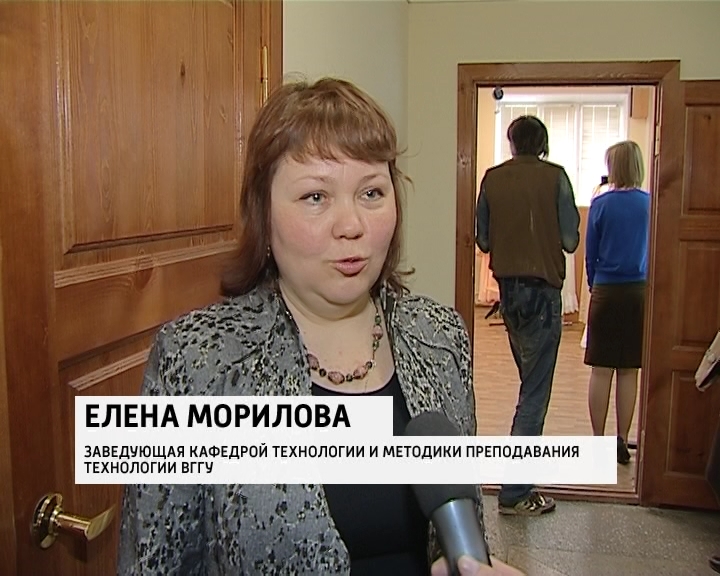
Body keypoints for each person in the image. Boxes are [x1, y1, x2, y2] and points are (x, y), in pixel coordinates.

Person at [118, 77, 519, 575]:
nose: (351, 225)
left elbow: (462, 526)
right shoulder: (195, 361)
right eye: (315, 197)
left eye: (371, 192)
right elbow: (152, 562)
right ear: (263, 214)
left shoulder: (439, 336)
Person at [476, 115, 580, 516]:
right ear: (542, 143)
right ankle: (515, 491)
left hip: (509, 294)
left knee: (529, 386)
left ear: (512, 142)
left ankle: (519, 481)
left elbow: (483, 239)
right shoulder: (555, 177)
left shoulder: (492, 179)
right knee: (534, 394)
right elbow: (570, 240)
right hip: (542, 294)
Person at [584, 140, 650, 465]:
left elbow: (590, 253)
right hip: (638, 290)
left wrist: (594, 283)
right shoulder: (650, 204)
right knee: (628, 370)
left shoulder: (600, 204)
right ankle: (622, 439)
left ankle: (598, 442)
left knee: (601, 369)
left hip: (606, 291)